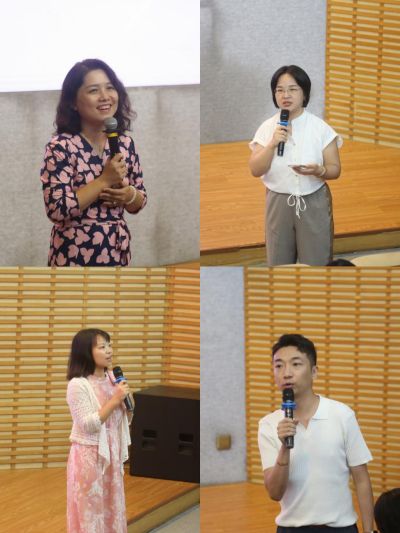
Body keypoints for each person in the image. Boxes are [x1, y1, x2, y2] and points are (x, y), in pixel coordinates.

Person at [258, 333, 376, 533]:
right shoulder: (269, 424)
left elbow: (362, 480)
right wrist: (284, 449)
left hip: (341, 527)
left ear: (314, 372)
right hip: (291, 528)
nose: (286, 373)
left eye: (296, 364)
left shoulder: (342, 415)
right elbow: (275, 493)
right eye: (278, 366)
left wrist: (369, 530)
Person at [41, 59, 147, 266]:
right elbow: (57, 209)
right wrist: (103, 181)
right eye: (93, 90)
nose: (105, 96)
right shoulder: (60, 147)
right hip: (72, 257)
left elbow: (140, 201)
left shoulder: (125, 143)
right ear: (73, 102)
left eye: (110, 87)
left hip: (116, 253)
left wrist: (129, 195)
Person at [249, 65, 342, 266]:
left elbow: (335, 169)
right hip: (278, 201)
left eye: (293, 89)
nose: (286, 95)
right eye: (279, 90)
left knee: (317, 262)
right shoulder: (267, 128)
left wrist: (320, 170)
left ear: (304, 93)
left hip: (314, 200)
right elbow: (255, 169)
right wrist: (272, 144)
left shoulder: (320, 128)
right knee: (279, 262)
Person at [66, 328, 133, 533]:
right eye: (102, 347)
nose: (109, 351)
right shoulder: (78, 385)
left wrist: (128, 404)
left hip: (111, 454)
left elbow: (122, 421)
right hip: (89, 457)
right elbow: (88, 424)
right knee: (91, 510)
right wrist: (115, 399)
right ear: (86, 352)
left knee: (111, 507)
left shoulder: (113, 379)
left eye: (110, 345)